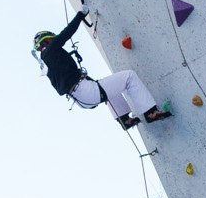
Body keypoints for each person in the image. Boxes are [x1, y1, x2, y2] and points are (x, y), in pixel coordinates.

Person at [33, 13, 171, 129]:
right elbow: (66, 33)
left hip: (80, 99)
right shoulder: (50, 50)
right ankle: (150, 113)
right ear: (47, 41)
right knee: (129, 77)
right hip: (84, 90)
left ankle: (124, 119)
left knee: (108, 89)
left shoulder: (47, 66)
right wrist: (81, 14)